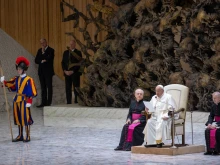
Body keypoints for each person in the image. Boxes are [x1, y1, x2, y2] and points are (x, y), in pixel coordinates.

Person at [0, 56, 37, 142]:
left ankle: (27, 135)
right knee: (18, 118)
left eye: (20, 69)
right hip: (17, 100)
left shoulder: (29, 80)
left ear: (24, 69)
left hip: (24, 100)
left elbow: (32, 91)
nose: (18, 70)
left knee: (25, 118)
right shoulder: (16, 79)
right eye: (18, 68)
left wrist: (30, 101)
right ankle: (20, 135)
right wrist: (4, 82)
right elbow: (11, 84)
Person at [35, 38, 54, 107]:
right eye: (41, 43)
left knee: (49, 87)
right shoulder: (39, 50)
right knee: (43, 87)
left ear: (46, 42)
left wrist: (43, 53)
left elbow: (49, 59)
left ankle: (49, 102)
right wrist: (42, 60)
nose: (42, 44)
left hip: (48, 72)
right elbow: (36, 60)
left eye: (43, 43)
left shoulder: (51, 50)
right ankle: (43, 102)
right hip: (41, 72)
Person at [61, 40, 82, 104]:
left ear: (75, 45)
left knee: (76, 88)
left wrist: (72, 71)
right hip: (67, 73)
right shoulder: (65, 52)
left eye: (72, 44)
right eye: (70, 44)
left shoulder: (78, 52)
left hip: (75, 73)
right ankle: (68, 102)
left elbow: (79, 63)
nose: (71, 45)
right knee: (68, 88)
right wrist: (65, 71)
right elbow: (63, 62)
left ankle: (77, 102)